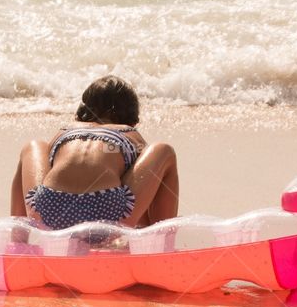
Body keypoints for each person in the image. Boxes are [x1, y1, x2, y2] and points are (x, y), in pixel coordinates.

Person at [10, 76, 178, 230]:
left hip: (48, 210)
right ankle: (162, 237)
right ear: (133, 120)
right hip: (108, 212)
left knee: (32, 146)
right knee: (164, 151)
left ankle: (18, 241)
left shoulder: (65, 131)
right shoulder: (128, 132)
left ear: (80, 114)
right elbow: (145, 184)